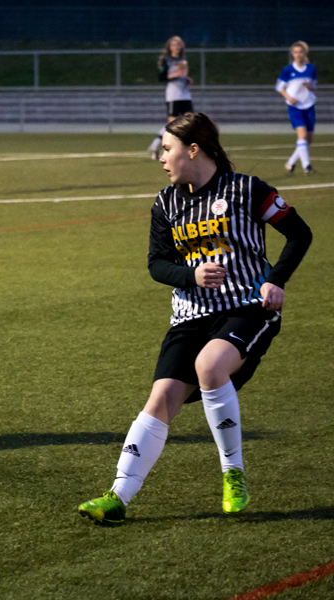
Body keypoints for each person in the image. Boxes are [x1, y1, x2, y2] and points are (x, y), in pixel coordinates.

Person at [79, 113, 312, 526]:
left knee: (209, 366)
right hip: (189, 314)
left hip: (246, 307)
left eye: (167, 149)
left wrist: (275, 281)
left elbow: (299, 233)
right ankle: (118, 497)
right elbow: (156, 264)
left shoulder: (246, 190)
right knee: (161, 397)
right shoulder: (165, 202)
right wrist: (191, 275)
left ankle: (233, 474)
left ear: (193, 149)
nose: (162, 158)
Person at [148, 36, 194, 160]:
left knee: (190, 122)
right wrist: (174, 75)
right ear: (170, 47)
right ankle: (156, 145)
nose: (176, 47)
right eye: (173, 45)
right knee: (172, 124)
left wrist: (187, 80)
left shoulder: (183, 59)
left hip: (185, 94)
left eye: (178, 45)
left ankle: (187, 150)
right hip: (173, 95)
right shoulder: (166, 60)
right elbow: (161, 77)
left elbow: (183, 75)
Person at [276, 41, 317, 175]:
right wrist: (288, 97)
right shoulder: (288, 70)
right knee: (302, 135)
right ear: (292, 54)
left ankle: (291, 162)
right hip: (295, 106)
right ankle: (307, 167)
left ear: (304, 53)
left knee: (308, 140)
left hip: (308, 105)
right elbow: (279, 87)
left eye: (301, 52)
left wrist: (308, 86)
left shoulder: (311, 69)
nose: (298, 54)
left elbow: (314, 87)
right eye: (295, 52)